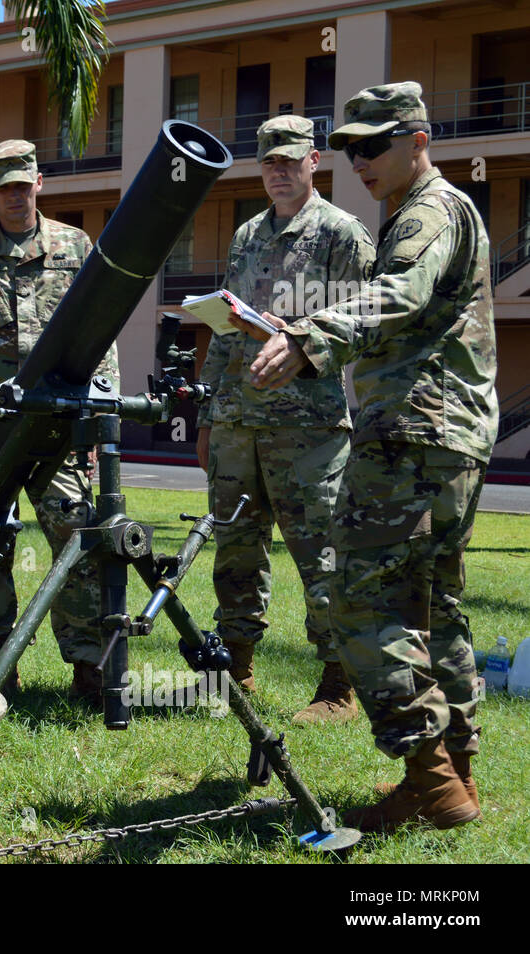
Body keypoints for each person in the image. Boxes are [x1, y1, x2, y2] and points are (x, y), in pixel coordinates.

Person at [238, 82, 496, 832]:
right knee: (432, 605)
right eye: (350, 147)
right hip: (443, 435)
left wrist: (308, 335)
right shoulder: (438, 209)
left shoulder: (429, 211)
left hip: (413, 436)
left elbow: (401, 293)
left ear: (419, 140)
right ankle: (454, 779)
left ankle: (430, 775)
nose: (358, 160)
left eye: (373, 145)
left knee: (358, 598)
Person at [195, 115, 375, 722]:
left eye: (289, 160)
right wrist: (208, 412)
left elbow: (364, 324)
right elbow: (226, 330)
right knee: (236, 549)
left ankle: (336, 688)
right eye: (269, 161)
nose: (278, 171)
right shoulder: (247, 234)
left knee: (321, 555)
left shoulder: (342, 234)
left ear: (314, 161)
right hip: (237, 424)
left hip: (309, 430)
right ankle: (237, 670)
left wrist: (304, 344)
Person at [0, 140, 119, 699]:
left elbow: (99, 334)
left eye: (22, 184)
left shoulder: (75, 246)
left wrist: (98, 423)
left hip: (58, 420)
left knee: (77, 532)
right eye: (2, 186)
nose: (14, 195)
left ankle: (87, 660)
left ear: (39, 183)